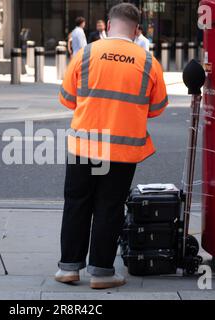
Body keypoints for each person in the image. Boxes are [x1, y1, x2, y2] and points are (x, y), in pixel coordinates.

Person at [56, 3, 168, 289]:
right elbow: (156, 108)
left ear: (109, 23)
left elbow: (68, 99)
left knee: (77, 203)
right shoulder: (148, 62)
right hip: (122, 148)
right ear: (136, 28)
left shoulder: (86, 53)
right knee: (110, 207)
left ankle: (69, 269)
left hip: (85, 144)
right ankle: (102, 273)